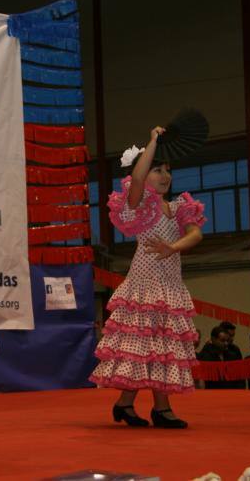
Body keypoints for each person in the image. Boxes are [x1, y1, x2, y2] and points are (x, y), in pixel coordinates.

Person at [90, 126, 206, 429]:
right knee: (151, 347)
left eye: (168, 170)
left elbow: (196, 235)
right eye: (158, 169)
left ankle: (126, 404)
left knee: (159, 347)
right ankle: (160, 409)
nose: (165, 176)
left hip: (169, 286)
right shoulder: (139, 203)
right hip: (144, 287)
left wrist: (173, 247)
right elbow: (138, 178)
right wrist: (153, 141)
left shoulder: (179, 206)